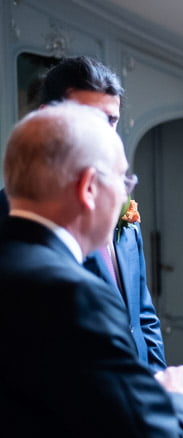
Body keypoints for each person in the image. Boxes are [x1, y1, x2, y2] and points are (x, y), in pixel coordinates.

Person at [0, 102, 183, 438]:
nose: (128, 192)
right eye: (124, 178)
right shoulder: (70, 293)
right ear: (90, 188)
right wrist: (178, 398)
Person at [0, 55, 166, 371]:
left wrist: (160, 391)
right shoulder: (10, 219)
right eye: (90, 118)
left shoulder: (122, 207)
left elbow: (142, 314)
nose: (105, 133)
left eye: (111, 120)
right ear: (47, 117)